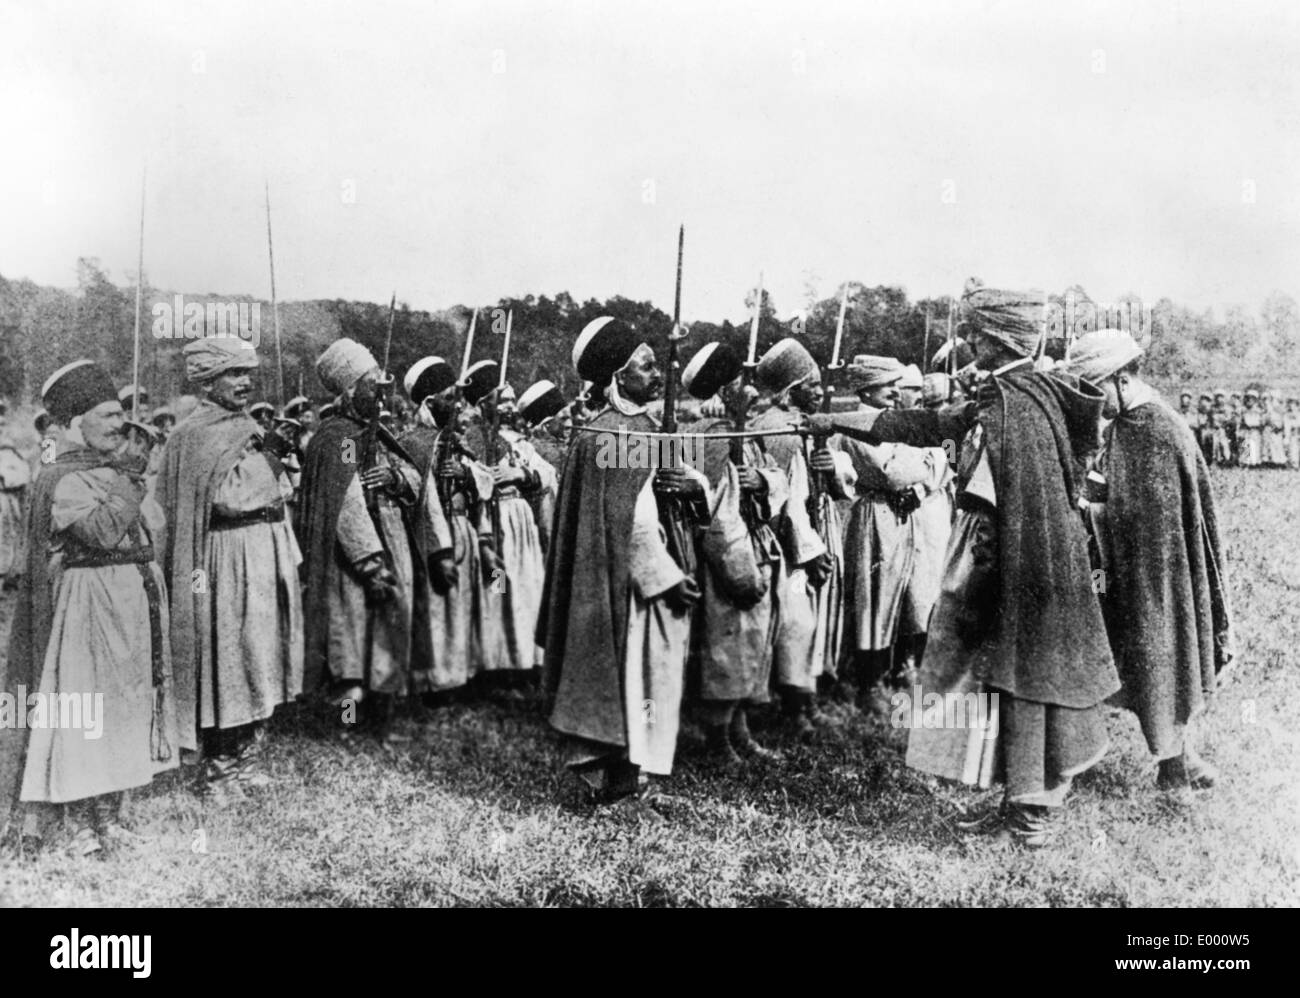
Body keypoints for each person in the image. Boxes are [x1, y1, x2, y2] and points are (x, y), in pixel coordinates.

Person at [815, 280, 1118, 848]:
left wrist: (994, 564)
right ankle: (1016, 802)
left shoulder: (1017, 404)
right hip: (1018, 557)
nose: (967, 340)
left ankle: (1032, 818)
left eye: (976, 332)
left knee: (1028, 681)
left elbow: (1015, 493)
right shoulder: (1020, 392)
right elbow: (933, 426)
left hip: (1022, 566)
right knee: (1004, 679)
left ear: (1000, 339)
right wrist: (838, 421)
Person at [1, 361, 178, 856]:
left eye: (121, 415)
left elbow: (153, 526)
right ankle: (76, 822)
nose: (119, 424)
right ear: (76, 421)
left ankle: (110, 816)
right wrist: (128, 481)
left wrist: (131, 479)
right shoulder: (62, 477)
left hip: (130, 600)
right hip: (88, 605)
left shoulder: (112, 471)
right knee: (88, 708)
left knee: (124, 703)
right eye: (106, 415)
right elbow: (100, 533)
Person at [539, 316, 705, 808]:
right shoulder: (608, 436)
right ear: (617, 375)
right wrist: (666, 577)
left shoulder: (641, 429)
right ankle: (616, 782)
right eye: (647, 367)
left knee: (645, 676)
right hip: (628, 585)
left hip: (641, 580)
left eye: (658, 366)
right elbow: (631, 521)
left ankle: (631, 776)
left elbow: (665, 494)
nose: (658, 376)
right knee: (628, 672)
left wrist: (693, 489)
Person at [1066, 331, 1233, 794]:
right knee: (1148, 661)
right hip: (1132, 569)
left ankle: (1177, 768)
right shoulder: (1127, 424)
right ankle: (1181, 759)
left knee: (1161, 657)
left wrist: (1092, 510)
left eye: (1094, 392)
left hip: (1157, 573)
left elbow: (1152, 520)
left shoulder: (1156, 428)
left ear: (1120, 379)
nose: (1092, 406)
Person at [156, 337, 304, 797]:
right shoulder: (195, 434)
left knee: (262, 651)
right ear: (207, 380)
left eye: (247, 373)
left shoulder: (244, 426)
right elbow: (230, 498)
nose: (244, 382)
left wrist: (280, 459)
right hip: (229, 553)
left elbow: (283, 487)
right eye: (233, 374)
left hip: (266, 546)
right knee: (232, 654)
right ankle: (220, 766)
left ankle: (248, 755)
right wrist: (273, 458)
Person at [297, 339, 424, 739]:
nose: (382, 394)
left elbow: (416, 477)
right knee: (351, 644)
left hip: (392, 540)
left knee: (387, 638)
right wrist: (371, 564)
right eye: (373, 385)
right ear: (350, 391)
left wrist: (397, 478)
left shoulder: (376, 433)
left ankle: (384, 721)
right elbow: (346, 502)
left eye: (384, 386)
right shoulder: (342, 438)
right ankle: (347, 724)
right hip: (355, 558)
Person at [686, 342, 789, 764]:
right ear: (725, 388)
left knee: (749, 642)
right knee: (725, 644)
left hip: (754, 543)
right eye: (741, 382)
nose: (751, 389)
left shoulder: (743, 435)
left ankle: (740, 729)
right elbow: (717, 512)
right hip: (727, 556)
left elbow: (774, 476)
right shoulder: (714, 439)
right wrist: (738, 568)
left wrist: (761, 481)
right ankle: (718, 740)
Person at [833, 355, 949, 715]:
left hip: (906, 515)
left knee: (913, 591)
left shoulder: (892, 422)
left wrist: (919, 460)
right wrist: (919, 458)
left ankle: (903, 669)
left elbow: (941, 456)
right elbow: (889, 471)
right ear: (867, 388)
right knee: (876, 595)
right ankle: (869, 683)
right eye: (889, 386)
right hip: (877, 514)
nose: (897, 392)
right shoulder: (854, 425)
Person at [750, 338, 852, 737]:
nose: (819, 390)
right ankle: (793, 707)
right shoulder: (780, 430)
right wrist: (810, 551)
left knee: (806, 618)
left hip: (810, 528)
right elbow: (791, 498)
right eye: (810, 384)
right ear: (791, 389)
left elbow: (820, 480)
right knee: (797, 620)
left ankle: (803, 699)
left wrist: (830, 464)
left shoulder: (802, 425)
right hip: (792, 538)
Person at [399, 355, 495, 698]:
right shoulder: (415, 442)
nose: (458, 403)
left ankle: (462, 674)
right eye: (449, 397)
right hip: (433, 535)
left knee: (461, 604)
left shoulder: (457, 438)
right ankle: (436, 682)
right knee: (437, 604)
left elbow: (485, 479)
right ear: (429, 402)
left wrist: (466, 473)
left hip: (463, 526)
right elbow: (420, 499)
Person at [1237, 389, 1263, 467]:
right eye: (1248, 398)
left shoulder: (1258, 410)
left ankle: (1255, 462)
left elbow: (1260, 421)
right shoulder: (1243, 410)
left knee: (1255, 445)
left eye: (1252, 398)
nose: (1250, 400)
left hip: (1255, 430)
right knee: (1246, 445)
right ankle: (1245, 462)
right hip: (1246, 430)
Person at [1285, 397, 1300, 469]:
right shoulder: (1288, 415)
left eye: (1294, 405)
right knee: (1294, 449)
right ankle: (1294, 464)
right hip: (1293, 434)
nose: (1293, 407)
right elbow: (1287, 426)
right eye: (1291, 405)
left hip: (1298, 432)